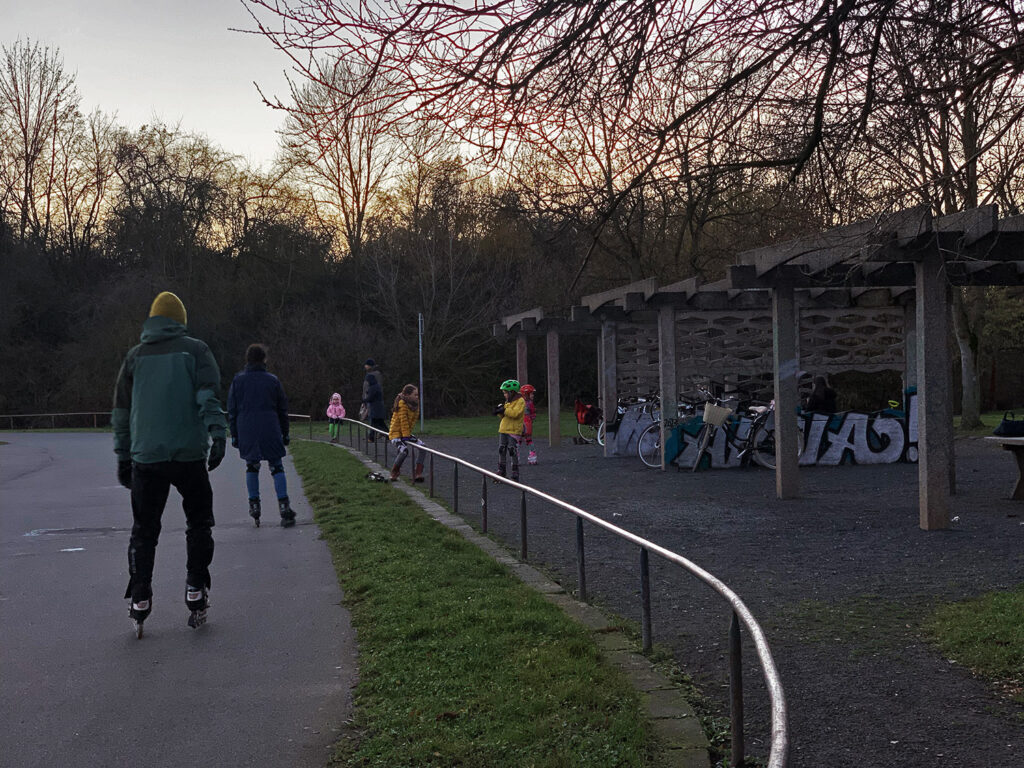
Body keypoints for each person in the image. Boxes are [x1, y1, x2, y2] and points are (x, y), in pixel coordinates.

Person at [112, 291, 226, 636]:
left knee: (144, 531)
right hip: (188, 455)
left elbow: (121, 412)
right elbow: (208, 395)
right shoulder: (196, 351)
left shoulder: (134, 357)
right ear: (181, 322)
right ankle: (195, 588)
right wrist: (217, 433)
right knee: (199, 523)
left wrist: (123, 454)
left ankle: (140, 596)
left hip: (146, 458)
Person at [227, 344, 296, 529]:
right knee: (276, 466)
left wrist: (234, 433)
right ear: (264, 359)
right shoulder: (272, 380)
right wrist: (285, 432)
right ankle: (284, 507)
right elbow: (282, 409)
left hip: (247, 428)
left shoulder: (238, 381)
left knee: (252, 466)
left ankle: (254, 505)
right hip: (270, 427)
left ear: (247, 359)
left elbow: (232, 409)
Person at [388, 384, 425, 482]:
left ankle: (418, 472)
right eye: (415, 395)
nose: (417, 397)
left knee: (423, 447)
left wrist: (407, 435)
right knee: (404, 451)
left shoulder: (416, 405)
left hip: (406, 433)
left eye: (417, 395)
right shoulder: (402, 404)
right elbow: (403, 421)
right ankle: (395, 471)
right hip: (395, 433)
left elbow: (412, 423)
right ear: (407, 395)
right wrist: (405, 436)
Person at [494, 379, 526, 481]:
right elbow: (505, 416)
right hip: (504, 428)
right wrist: (499, 411)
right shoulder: (508, 401)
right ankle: (501, 470)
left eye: (505, 393)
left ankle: (515, 471)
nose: (504, 395)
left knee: (512, 450)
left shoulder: (520, 401)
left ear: (512, 392)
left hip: (513, 430)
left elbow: (515, 414)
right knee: (501, 449)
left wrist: (505, 409)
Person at [361, 358, 386, 438]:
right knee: (375, 419)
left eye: (366, 365)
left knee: (373, 418)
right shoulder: (369, 374)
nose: (365, 366)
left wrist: (368, 397)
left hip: (373, 400)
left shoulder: (375, 374)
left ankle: (372, 435)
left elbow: (374, 388)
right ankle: (379, 433)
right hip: (370, 398)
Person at [520, 384, 538, 465]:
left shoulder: (521, 402)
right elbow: (533, 413)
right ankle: (532, 458)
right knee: (528, 440)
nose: (533, 395)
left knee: (519, 440)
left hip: (521, 422)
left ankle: (516, 458)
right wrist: (532, 418)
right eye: (531, 394)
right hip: (526, 422)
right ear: (526, 394)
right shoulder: (529, 403)